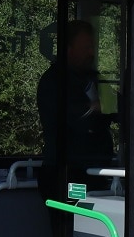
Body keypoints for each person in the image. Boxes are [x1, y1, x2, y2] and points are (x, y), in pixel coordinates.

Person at [38, 19, 116, 187]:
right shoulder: (54, 81)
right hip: (66, 172)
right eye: (85, 48)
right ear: (69, 50)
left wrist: (105, 107)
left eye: (92, 47)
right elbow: (78, 119)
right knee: (76, 213)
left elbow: (119, 106)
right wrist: (97, 109)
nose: (91, 53)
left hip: (96, 170)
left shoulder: (92, 78)